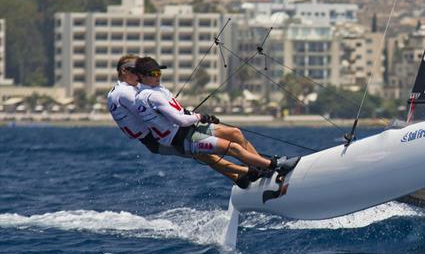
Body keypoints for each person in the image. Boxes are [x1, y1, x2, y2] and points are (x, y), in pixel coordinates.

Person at [133, 56, 295, 187]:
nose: (158, 77)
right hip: (182, 138)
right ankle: (274, 165)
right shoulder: (151, 95)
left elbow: (178, 112)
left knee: (235, 133)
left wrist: (197, 116)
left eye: (159, 73)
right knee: (233, 148)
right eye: (153, 74)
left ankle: (260, 166)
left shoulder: (155, 90)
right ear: (141, 77)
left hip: (190, 129)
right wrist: (200, 117)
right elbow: (180, 120)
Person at [108, 54, 251, 185]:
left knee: (211, 150)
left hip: (159, 136)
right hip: (157, 139)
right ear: (124, 71)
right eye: (135, 71)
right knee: (205, 155)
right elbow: (151, 113)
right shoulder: (127, 92)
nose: (138, 75)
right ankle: (247, 175)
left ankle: (245, 175)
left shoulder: (118, 91)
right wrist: (182, 115)